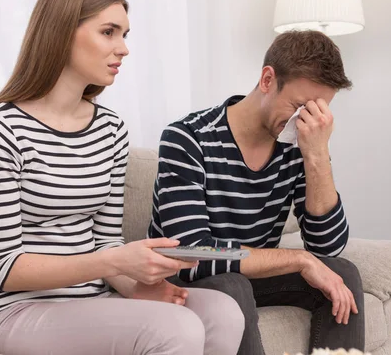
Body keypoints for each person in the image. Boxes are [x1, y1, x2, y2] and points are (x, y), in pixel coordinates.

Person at [0, 0, 244, 355]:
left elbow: (106, 240)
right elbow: (4, 268)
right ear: (61, 34)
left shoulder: (110, 128)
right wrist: (115, 261)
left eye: (125, 34)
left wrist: (138, 285)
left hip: (93, 299)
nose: (123, 48)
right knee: (174, 329)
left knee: (224, 312)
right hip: (14, 310)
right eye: (108, 32)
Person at [148, 30, 365, 354]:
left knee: (342, 273)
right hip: (184, 278)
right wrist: (298, 260)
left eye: (316, 111)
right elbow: (194, 253)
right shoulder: (187, 138)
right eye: (298, 106)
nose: (303, 120)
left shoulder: (300, 145)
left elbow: (328, 246)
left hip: (252, 275)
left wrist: (317, 155)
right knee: (231, 286)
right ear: (267, 80)